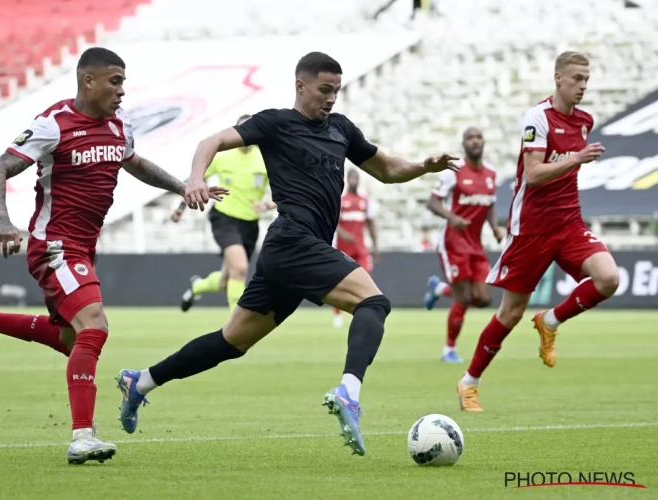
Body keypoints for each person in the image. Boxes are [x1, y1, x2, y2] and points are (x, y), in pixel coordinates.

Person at [114, 51, 459, 457]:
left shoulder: (342, 129)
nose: (331, 99)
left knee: (231, 342)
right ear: (301, 86)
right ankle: (349, 392)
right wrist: (194, 178)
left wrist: (424, 166)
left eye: (337, 91)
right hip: (293, 241)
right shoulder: (276, 122)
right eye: (324, 90)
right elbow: (213, 140)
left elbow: (386, 169)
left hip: (292, 251)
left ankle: (141, 382)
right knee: (374, 302)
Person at [0, 47, 226, 464]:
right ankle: (83, 435)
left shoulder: (119, 125)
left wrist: (181, 187)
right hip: (54, 245)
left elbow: (134, 163)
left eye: (124, 82)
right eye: (115, 81)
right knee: (95, 325)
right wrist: (3, 222)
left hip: (85, 246)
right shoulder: (54, 123)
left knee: (70, 338)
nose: (122, 91)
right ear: (89, 81)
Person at [457, 51, 619, 412]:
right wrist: (576, 158)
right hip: (531, 228)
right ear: (558, 78)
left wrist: (574, 160)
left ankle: (550, 321)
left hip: (569, 223)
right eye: (577, 79)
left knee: (609, 278)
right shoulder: (537, 117)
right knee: (510, 314)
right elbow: (532, 174)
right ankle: (469, 382)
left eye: (587, 80)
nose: (583, 86)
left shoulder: (584, 121)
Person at [173, 114, 276, 312]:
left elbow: (284, 191)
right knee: (240, 268)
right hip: (224, 218)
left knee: (225, 282)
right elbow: (194, 181)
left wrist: (267, 206)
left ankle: (197, 287)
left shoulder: (265, 158)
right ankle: (235, 329)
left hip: (250, 224)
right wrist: (180, 209)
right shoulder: (223, 156)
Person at [423, 127, 503, 362]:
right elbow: (432, 203)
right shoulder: (453, 173)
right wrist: (452, 217)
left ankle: (438, 289)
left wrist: (495, 227)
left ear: (484, 142)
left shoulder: (491, 173)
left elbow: (489, 204)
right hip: (453, 242)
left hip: (475, 244)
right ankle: (449, 350)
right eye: (470, 138)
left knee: (484, 299)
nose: (475, 141)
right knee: (464, 298)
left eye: (479, 137)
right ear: (464, 144)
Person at [332, 168, 379, 328]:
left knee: (366, 277)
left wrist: (376, 245)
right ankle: (337, 314)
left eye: (356, 178)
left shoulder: (365, 200)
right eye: (351, 177)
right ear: (347, 179)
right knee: (339, 282)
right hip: (343, 248)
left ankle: (363, 311)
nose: (354, 180)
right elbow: (333, 221)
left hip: (360, 247)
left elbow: (371, 224)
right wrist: (343, 234)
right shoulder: (340, 200)